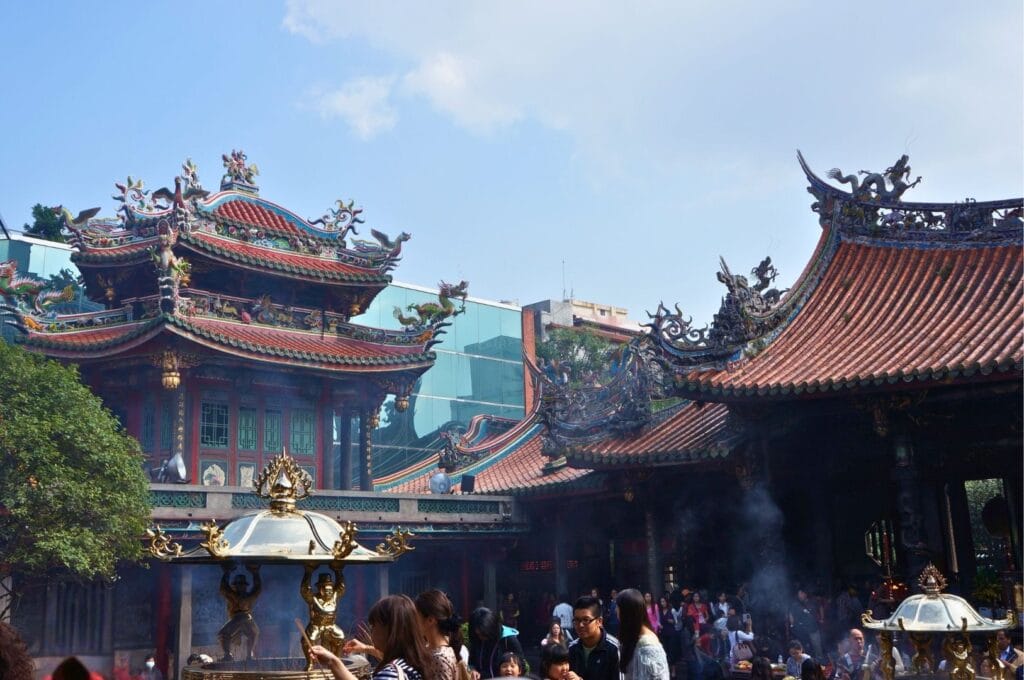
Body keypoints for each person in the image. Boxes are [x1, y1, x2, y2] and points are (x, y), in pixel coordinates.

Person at [311, 594, 432, 680]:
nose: (371, 630)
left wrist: (333, 662)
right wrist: (333, 661)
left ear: (391, 630)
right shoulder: (411, 663)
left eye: (374, 625)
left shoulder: (391, 674)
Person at [615, 588, 670, 680]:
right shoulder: (632, 637)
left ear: (626, 612)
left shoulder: (648, 645)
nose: (616, 611)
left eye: (618, 608)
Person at [302, 564, 346, 670]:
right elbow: (305, 589)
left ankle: (337, 661)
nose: (330, 593)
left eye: (331, 590)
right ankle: (310, 663)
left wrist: (338, 571)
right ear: (321, 590)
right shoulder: (314, 599)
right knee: (308, 640)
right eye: (327, 591)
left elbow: (341, 587)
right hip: (316, 625)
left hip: (331, 625)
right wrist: (308, 572)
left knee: (341, 637)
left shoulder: (334, 597)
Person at [566, 595, 621, 680]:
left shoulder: (613, 649)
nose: (580, 625)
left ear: (599, 621)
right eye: (577, 620)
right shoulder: (572, 648)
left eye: (586, 620)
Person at [415, 589, 463, 680]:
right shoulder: (433, 649)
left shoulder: (439, 658)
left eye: (416, 615)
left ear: (430, 620)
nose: (413, 621)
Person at [218, 563, 261, 661]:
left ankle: (228, 655)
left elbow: (223, 587)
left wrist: (227, 572)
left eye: (241, 585)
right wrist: (255, 573)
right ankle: (249, 656)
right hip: (247, 618)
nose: (240, 587)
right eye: (239, 584)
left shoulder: (234, 595)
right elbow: (257, 588)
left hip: (239, 618)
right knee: (252, 634)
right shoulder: (249, 595)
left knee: (223, 634)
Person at [468, 606, 525, 679]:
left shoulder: (508, 639)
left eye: (484, 634)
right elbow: (471, 661)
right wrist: (473, 670)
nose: (481, 637)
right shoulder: (477, 639)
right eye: (478, 634)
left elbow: (522, 666)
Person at [789, 590, 822, 660]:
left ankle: (819, 663)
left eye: (801, 594)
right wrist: (792, 624)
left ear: (805, 594)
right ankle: (806, 662)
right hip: (803, 631)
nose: (799, 595)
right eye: (798, 594)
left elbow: (820, 608)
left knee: (817, 648)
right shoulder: (796, 604)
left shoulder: (812, 602)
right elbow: (791, 613)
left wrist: (822, 618)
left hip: (813, 629)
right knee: (806, 648)